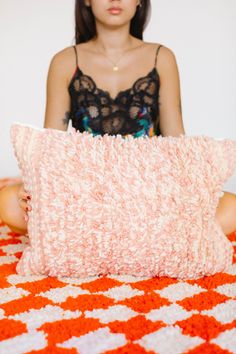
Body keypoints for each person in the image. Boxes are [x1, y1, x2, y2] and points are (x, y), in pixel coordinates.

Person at [0, 0, 236, 236]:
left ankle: (104, 235)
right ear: (87, 1)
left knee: (231, 206)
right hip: (87, 193)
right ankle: (138, 236)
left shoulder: (162, 57)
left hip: (151, 192)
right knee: (9, 201)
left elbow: (178, 143)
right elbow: (51, 147)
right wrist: (33, 190)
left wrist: (191, 188)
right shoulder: (64, 62)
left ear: (139, 1)